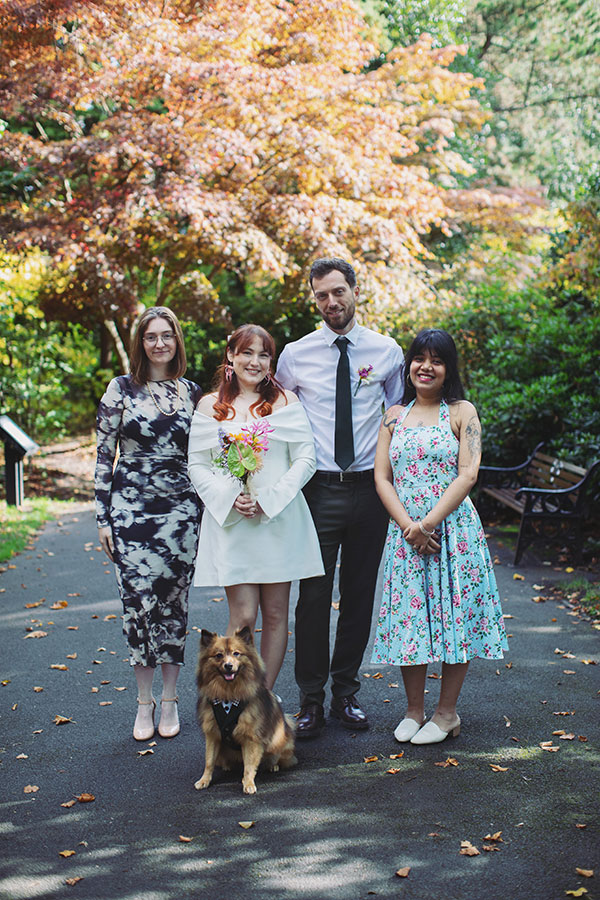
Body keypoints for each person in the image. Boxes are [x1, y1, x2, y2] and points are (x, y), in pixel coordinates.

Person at [276, 258, 404, 737]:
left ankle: (345, 694)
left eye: (337, 292)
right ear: (315, 300)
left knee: (358, 596)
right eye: (321, 296)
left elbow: (396, 416)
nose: (331, 302)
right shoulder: (295, 355)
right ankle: (309, 699)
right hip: (318, 491)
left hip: (372, 491)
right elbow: (276, 415)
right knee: (311, 598)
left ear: (354, 290)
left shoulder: (387, 352)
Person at [371, 328, 509, 744]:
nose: (425, 367)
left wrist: (427, 524)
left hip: (452, 534)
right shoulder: (394, 415)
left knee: (455, 619)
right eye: (419, 358)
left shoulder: (462, 412)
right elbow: (381, 477)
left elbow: (468, 473)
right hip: (407, 533)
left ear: (448, 369)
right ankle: (414, 712)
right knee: (410, 621)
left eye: (436, 360)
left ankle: (446, 713)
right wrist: (408, 528)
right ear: (408, 364)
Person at [187, 324, 324, 692]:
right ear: (231, 355)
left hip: (277, 520)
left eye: (263, 354)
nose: (255, 361)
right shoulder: (210, 406)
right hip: (234, 523)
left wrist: (269, 499)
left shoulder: (285, 403)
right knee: (244, 615)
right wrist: (230, 497)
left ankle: (261, 698)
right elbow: (197, 465)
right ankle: (234, 697)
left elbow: (306, 459)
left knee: (277, 614)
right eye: (247, 352)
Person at [95, 307, 202, 742]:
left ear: (177, 341)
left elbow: (209, 454)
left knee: (174, 604)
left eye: (167, 336)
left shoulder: (193, 392)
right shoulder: (121, 388)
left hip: (181, 513)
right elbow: (105, 457)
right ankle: (144, 701)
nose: (159, 343)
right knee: (138, 607)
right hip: (130, 511)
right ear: (140, 343)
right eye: (151, 336)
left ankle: (171, 698)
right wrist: (102, 517)